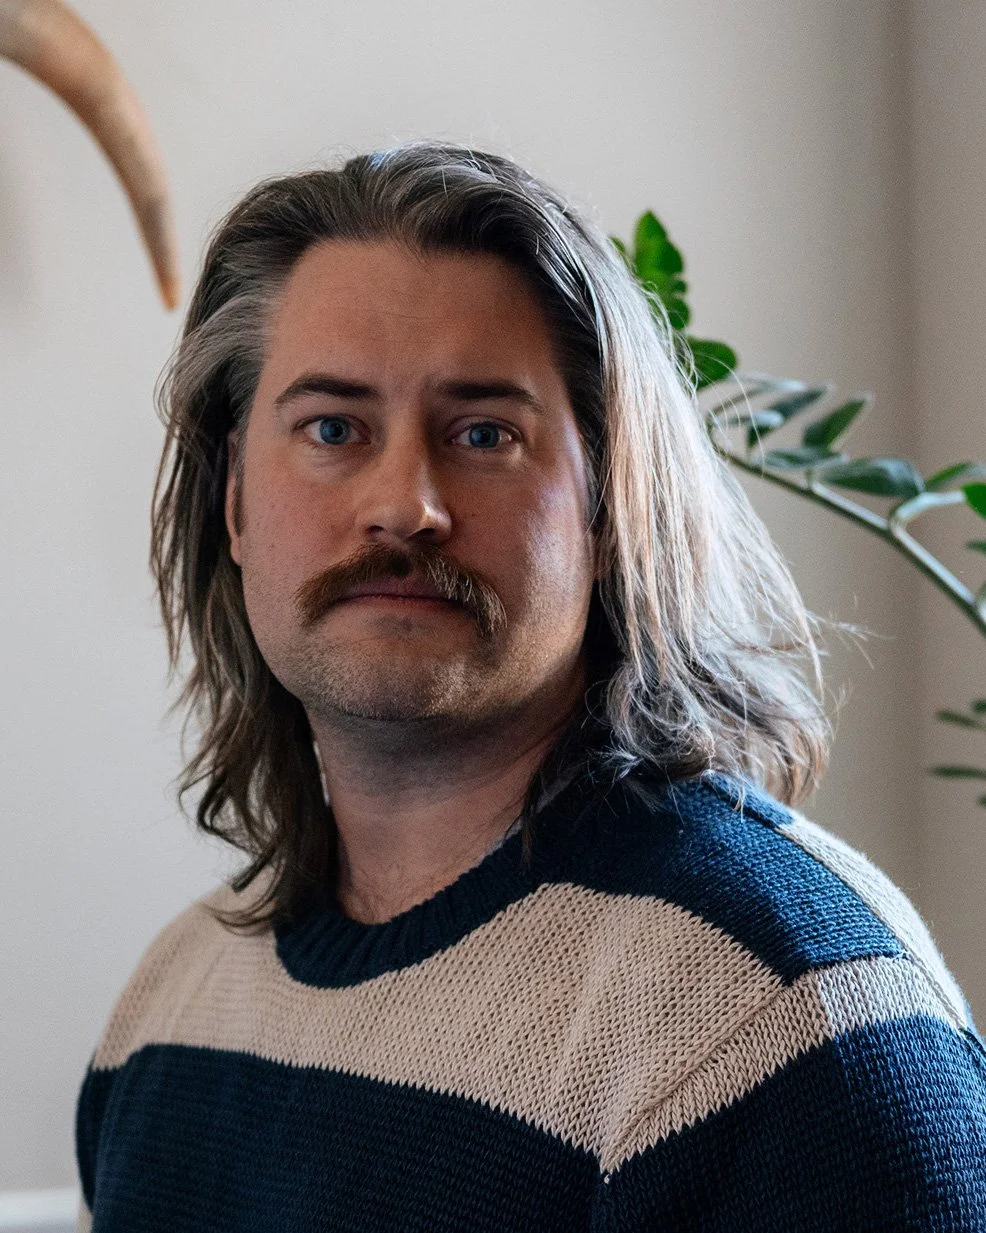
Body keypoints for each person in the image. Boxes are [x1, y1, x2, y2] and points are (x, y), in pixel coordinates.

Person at [74, 141, 986, 1232]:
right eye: (330, 428)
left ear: (608, 513)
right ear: (230, 504)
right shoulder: (169, 1009)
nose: (403, 503)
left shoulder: (779, 1015)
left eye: (483, 434)